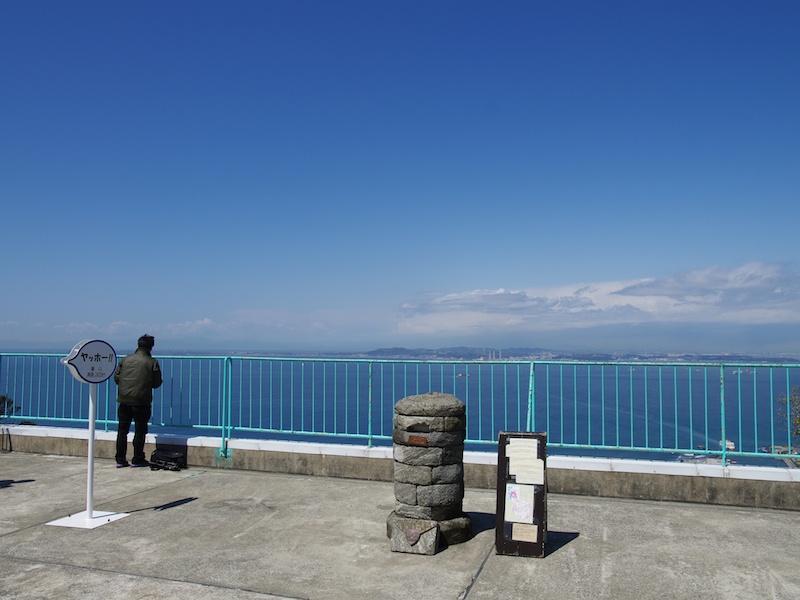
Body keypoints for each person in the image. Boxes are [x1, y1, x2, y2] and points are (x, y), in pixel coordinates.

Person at [114, 334, 162, 467]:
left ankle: (120, 459)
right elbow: (157, 383)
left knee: (122, 431)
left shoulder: (125, 359)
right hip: (142, 401)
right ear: (151, 347)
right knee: (140, 431)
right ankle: (137, 458)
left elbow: (117, 378)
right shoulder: (152, 362)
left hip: (124, 400)